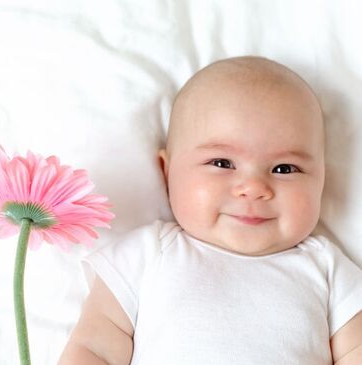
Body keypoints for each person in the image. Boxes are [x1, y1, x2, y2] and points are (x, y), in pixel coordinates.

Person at [58, 56, 362, 364]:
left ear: (322, 180)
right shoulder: (149, 253)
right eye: (222, 163)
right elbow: (94, 348)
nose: (254, 187)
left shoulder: (327, 268)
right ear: (168, 172)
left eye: (285, 168)